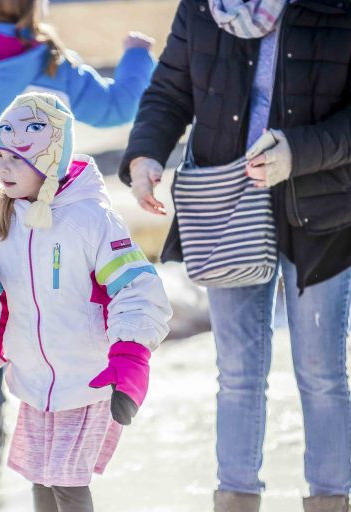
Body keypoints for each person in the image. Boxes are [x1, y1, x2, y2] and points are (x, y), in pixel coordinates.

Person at [117, 0, 351, 510]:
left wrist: (299, 151)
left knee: (322, 370)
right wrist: (145, 153)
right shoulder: (204, 7)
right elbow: (171, 88)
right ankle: (236, 499)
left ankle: (332, 500)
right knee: (239, 370)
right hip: (226, 206)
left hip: (321, 209)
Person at [0, 0, 156, 475]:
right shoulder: (49, 60)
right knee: (45, 312)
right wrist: (136, 57)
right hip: (52, 219)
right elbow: (115, 107)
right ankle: (65, 430)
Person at [0, 92, 173, 512]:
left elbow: (136, 288)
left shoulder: (91, 219)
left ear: (48, 162)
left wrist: (131, 356)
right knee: (41, 482)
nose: (1, 166)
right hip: (35, 385)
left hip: (88, 381)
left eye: (16, 157)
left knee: (67, 485)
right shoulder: (1, 229)